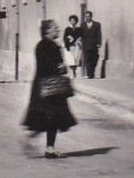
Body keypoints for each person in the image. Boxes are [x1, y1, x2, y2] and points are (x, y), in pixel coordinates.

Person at [23, 19, 77, 157]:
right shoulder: (43, 46)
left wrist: (61, 67)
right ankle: (44, 145)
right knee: (50, 117)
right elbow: (45, 65)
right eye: (55, 28)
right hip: (47, 87)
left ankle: (47, 146)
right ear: (47, 30)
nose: (58, 30)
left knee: (51, 118)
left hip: (52, 87)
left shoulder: (52, 44)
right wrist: (59, 67)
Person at [81, 11, 104, 79]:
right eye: (86, 16)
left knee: (94, 58)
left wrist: (99, 43)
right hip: (85, 44)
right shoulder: (83, 25)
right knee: (87, 59)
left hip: (94, 44)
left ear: (91, 17)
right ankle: (89, 74)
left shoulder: (97, 24)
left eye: (88, 16)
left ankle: (92, 72)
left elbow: (99, 34)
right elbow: (80, 34)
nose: (87, 18)